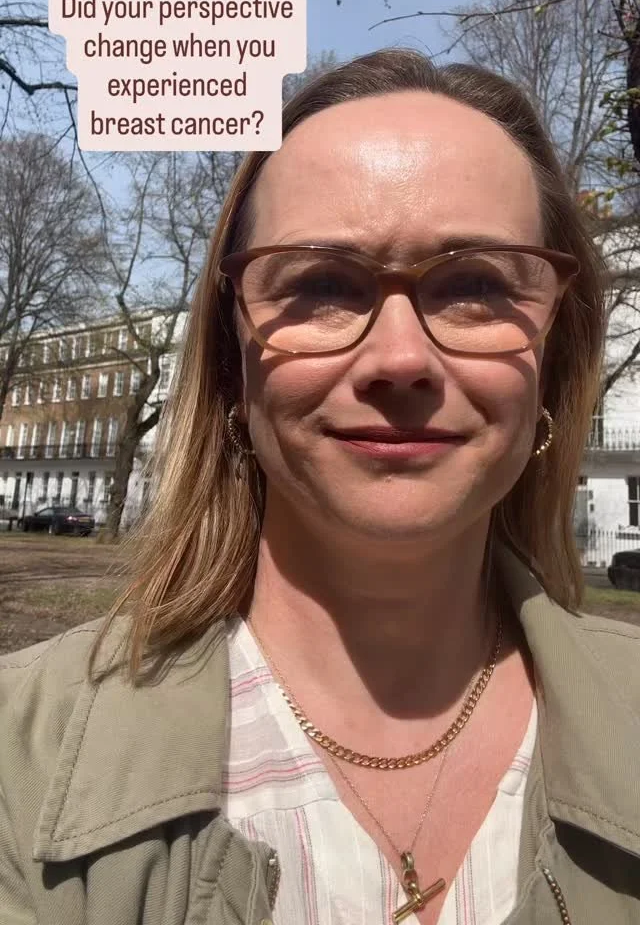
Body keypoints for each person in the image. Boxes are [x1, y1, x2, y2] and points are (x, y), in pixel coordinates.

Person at [1, 47, 639, 925]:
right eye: (322, 285)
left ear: (553, 362)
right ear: (233, 367)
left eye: (475, 286)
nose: (400, 359)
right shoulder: (21, 756)